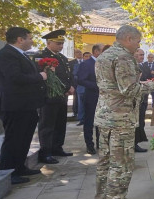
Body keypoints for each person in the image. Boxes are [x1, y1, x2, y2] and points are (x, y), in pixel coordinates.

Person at [94, 25, 154, 199]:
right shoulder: (123, 57)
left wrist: (142, 82)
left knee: (105, 162)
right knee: (121, 164)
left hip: (105, 117)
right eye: (137, 41)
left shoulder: (105, 55)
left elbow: (114, 85)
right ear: (128, 38)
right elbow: (128, 89)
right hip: (121, 119)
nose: (138, 45)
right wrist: (152, 86)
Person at [0, 27, 47, 184]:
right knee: (13, 140)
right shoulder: (6, 55)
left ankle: (20, 167)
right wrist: (39, 76)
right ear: (20, 39)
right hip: (14, 106)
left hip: (26, 105)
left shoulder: (20, 54)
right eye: (29, 38)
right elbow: (15, 77)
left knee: (24, 139)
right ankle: (8, 173)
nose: (32, 41)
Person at [37, 29, 74, 164]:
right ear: (49, 42)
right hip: (49, 97)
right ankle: (46, 152)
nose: (61, 46)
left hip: (62, 96)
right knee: (47, 125)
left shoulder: (62, 58)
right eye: (58, 43)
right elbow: (51, 78)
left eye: (62, 43)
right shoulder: (41, 56)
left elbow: (68, 75)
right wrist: (66, 87)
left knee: (60, 124)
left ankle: (57, 147)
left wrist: (71, 86)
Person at [78, 44, 104, 154]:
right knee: (89, 122)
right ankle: (89, 145)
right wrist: (97, 85)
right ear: (96, 51)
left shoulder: (104, 63)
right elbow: (81, 80)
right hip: (91, 97)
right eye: (103, 51)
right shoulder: (86, 64)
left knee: (101, 121)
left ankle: (101, 143)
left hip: (103, 97)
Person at [134, 48, 151, 152]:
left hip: (143, 97)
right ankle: (134, 143)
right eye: (140, 54)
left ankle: (139, 139)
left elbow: (146, 78)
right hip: (135, 99)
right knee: (136, 122)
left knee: (141, 120)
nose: (142, 56)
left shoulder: (142, 66)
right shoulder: (132, 66)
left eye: (143, 55)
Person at [69, 49, 83, 118]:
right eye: (77, 52)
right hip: (75, 83)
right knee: (75, 98)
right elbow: (70, 74)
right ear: (75, 54)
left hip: (83, 83)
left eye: (80, 52)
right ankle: (75, 112)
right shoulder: (71, 63)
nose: (79, 53)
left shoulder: (84, 62)